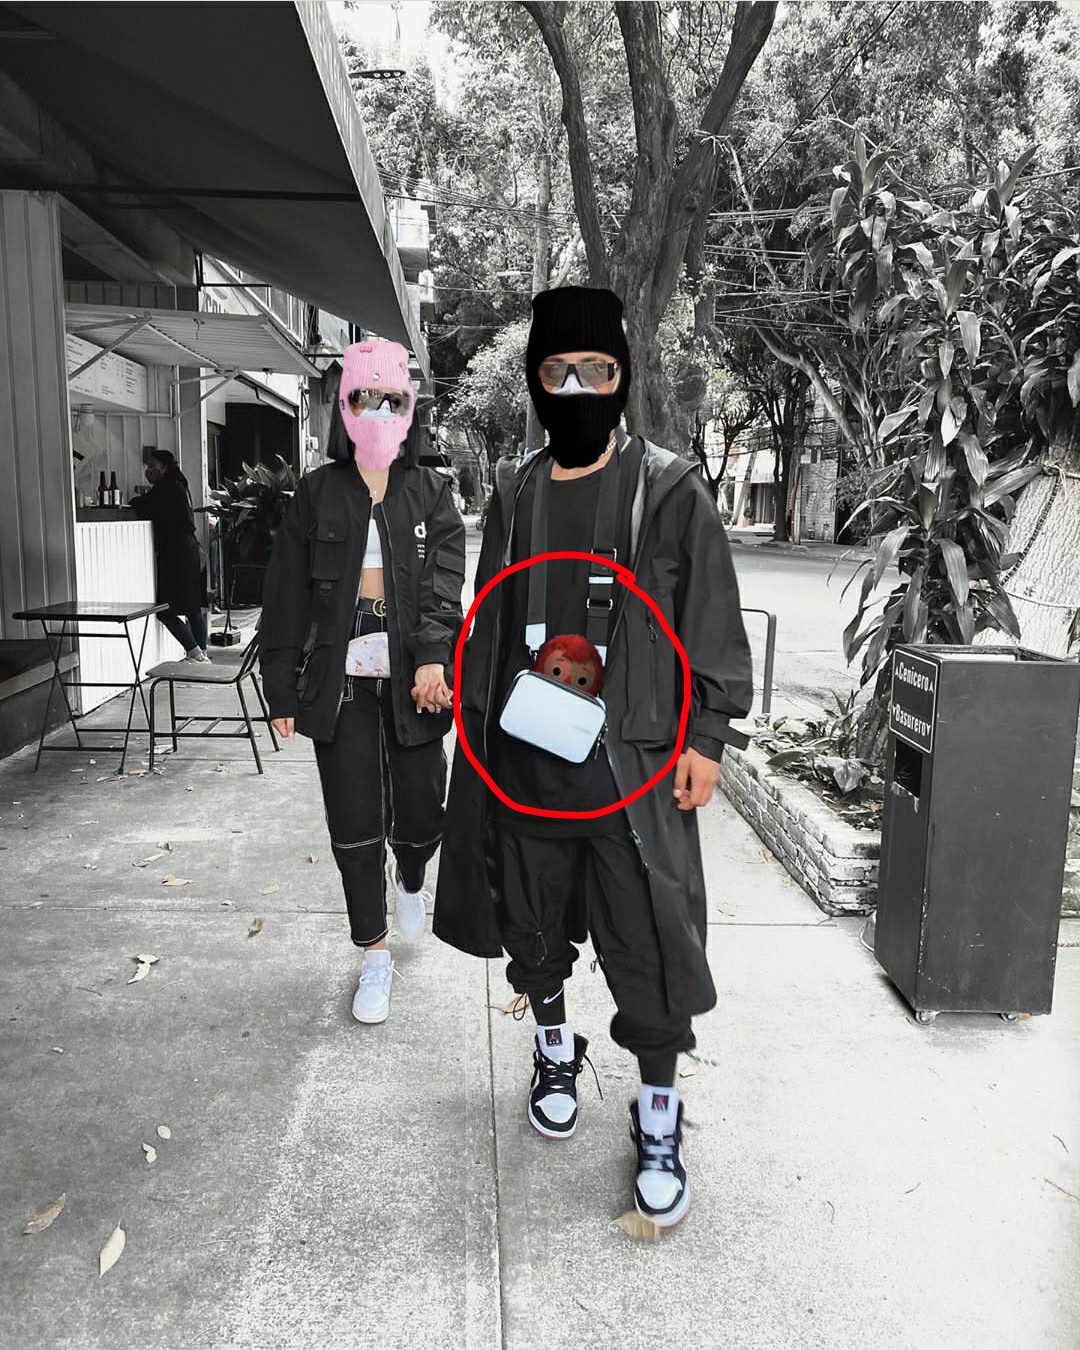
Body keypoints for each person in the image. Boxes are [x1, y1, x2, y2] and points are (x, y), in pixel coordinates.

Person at [434, 287, 754, 1227]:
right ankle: (552, 1047)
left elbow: (710, 619)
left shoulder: (671, 489)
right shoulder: (516, 492)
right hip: (528, 766)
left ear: (623, 376)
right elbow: (493, 618)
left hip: (632, 774)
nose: (575, 389)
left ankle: (658, 1111)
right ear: (536, 380)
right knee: (531, 928)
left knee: (647, 943)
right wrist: (475, 740)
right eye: (557, 372)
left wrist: (706, 737)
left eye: (596, 371)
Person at [260, 340, 465, 1024]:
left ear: (410, 407)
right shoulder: (316, 494)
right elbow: (286, 595)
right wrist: (281, 685)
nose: (377, 410)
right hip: (340, 681)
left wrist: (434, 656)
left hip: (415, 679)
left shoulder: (432, 493)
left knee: (422, 811)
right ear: (343, 406)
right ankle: (374, 956)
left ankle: (412, 873)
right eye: (363, 397)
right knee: (354, 823)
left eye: (391, 399)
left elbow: (443, 589)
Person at [131, 449, 210, 662]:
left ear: (164, 467)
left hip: (175, 554)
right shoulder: (179, 486)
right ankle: (202, 654)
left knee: (165, 610)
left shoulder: (166, 488)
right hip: (190, 550)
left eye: (152, 466)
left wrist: (137, 500)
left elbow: (144, 508)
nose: (148, 470)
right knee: (193, 608)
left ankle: (195, 653)